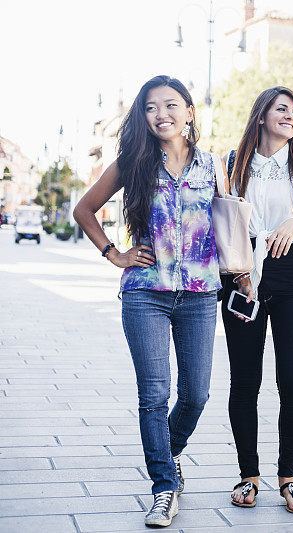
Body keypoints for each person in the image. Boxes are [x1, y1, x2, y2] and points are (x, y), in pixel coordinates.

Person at [73, 75, 219, 527]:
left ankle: (168, 451)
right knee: (154, 395)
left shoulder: (214, 165)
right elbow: (84, 209)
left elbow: (233, 221)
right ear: (143, 116)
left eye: (172, 105)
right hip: (145, 294)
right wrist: (114, 254)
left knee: (196, 394)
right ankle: (163, 487)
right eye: (152, 108)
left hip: (200, 294)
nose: (162, 115)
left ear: (189, 113)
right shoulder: (131, 164)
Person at [221, 87, 293, 513]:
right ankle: (248, 476)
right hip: (242, 277)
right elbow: (222, 222)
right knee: (245, 381)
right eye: (281, 109)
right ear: (261, 115)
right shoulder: (233, 164)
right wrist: (240, 273)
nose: (290, 116)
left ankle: (289, 477)